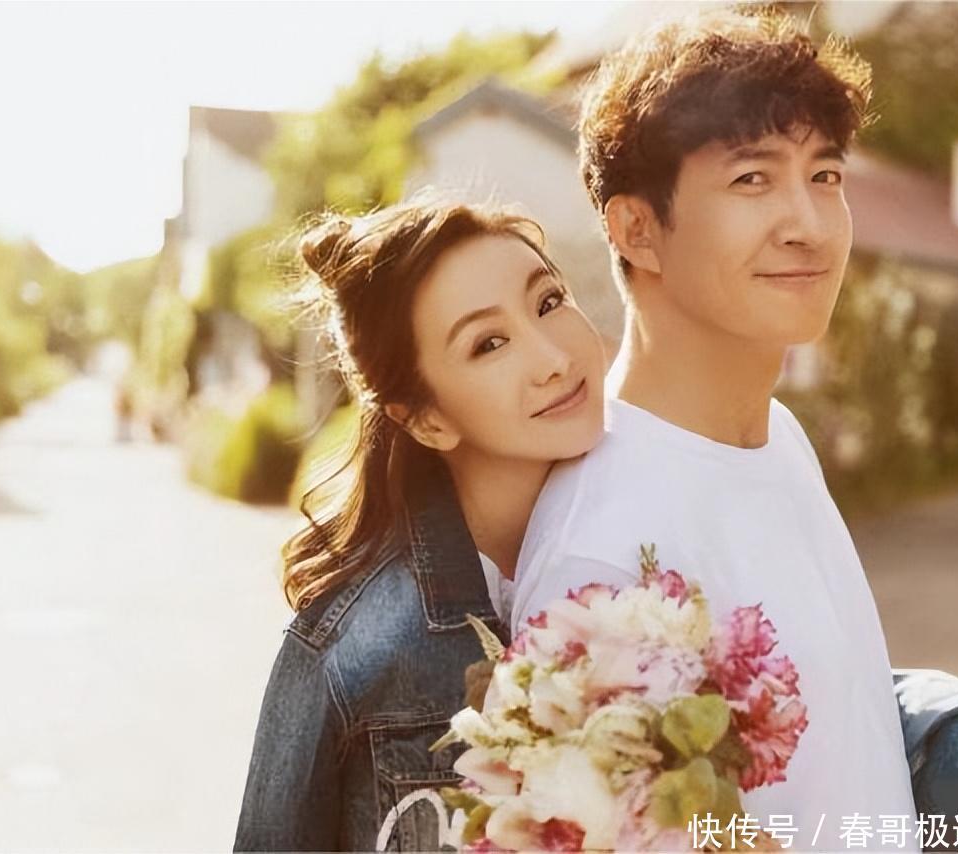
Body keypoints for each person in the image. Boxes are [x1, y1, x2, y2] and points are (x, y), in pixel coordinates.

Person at [508, 9, 920, 847]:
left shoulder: (778, 436)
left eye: (825, 175)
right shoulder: (605, 559)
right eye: (752, 179)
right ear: (637, 231)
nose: (809, 224)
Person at [232, 199, 607, 851]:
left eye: (548, 302)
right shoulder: (359, 650)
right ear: (427, 419)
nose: (553, 357)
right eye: (489, 343)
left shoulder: (651, 551)